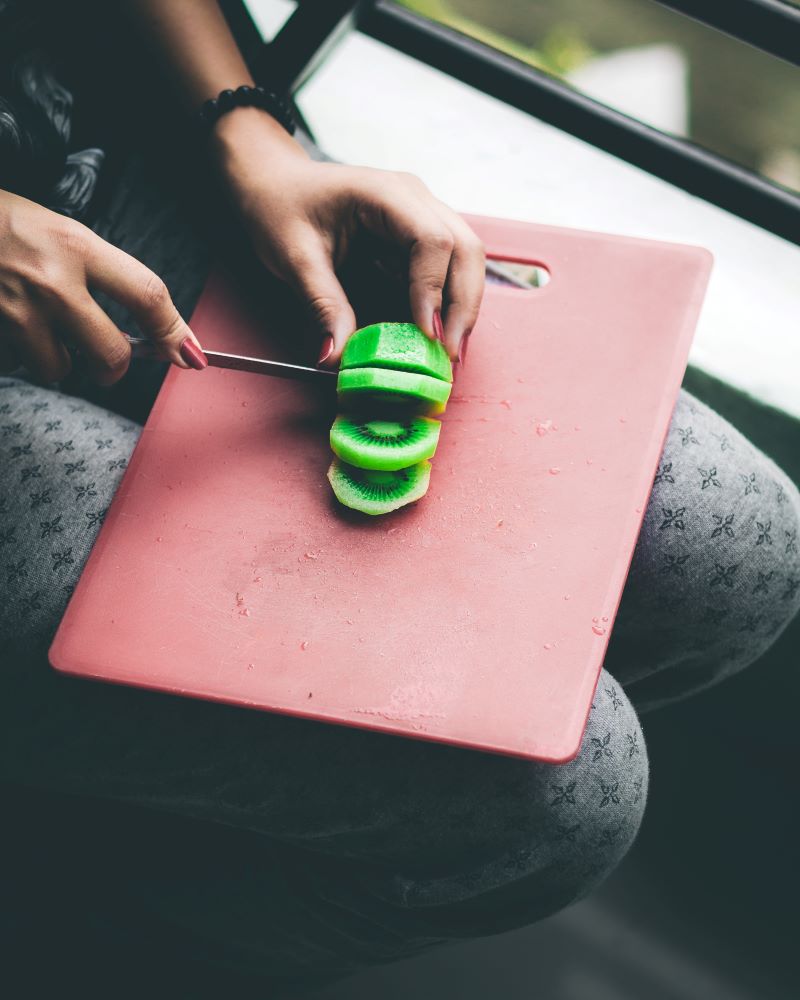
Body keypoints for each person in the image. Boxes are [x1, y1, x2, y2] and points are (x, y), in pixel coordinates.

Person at [2, 1, 799, 995]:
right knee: (555, 802)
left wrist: (251, 133)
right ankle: (96, 914)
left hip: (121, 138)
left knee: (740, 553)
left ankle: (215, 784)